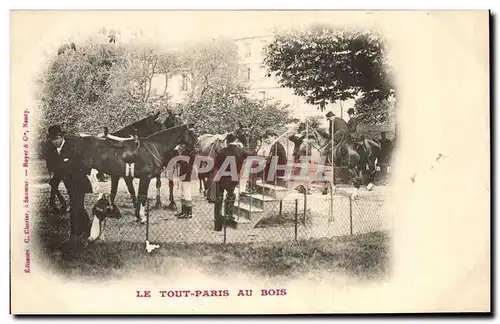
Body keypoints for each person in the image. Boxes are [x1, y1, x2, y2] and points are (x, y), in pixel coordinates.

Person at [47, 125, 94, 248]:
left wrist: (67, 165)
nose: (54, 142)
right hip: (70, 185)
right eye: (52, 139)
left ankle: (74, 237)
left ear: (62, 137)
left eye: (56, 138)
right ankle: (90, 232)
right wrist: (54, 182)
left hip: (79, 183)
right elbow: (57, 170)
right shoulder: (53, 152)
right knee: (79, 208)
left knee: (75, 209)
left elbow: (82, 163)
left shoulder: (72, 147)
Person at [212, 133, 254, 231]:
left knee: (218, 199)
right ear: (236, 140)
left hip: (221, 177)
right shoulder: (241, 151)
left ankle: (217, 222)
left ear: (227, 141)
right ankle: (228, 216)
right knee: (231, 196)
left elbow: (215, 164)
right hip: (232, 178)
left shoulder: (220, 151)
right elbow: (252, 155)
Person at [173, 144, 196, 219]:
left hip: (187, 174)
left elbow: (184, 162)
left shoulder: (190, 153)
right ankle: (184, 211)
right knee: (182, 193)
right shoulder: (185, 152)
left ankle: (189, 213)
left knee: (187, 192)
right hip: (183, 173)